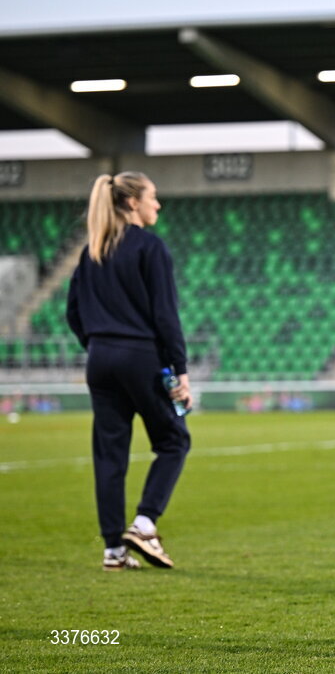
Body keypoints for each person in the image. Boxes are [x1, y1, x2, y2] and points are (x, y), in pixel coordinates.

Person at [66, 172, 192, 572]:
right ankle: (143, 524)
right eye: (153, 198)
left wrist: (97, 345)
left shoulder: (92, 251)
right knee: (174, 440)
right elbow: (165, 316)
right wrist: (180, 371)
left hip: (99, 359)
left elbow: (72, 312)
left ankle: (113, 552)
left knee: (109, 455)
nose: (158, 205)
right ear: (133, 203)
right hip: (140, 357)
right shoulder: (149, 247)